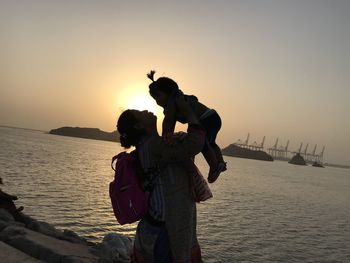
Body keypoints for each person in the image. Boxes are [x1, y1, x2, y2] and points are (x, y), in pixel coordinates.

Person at [117, 96, 209, 262]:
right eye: (141, 113)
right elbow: (194, 143)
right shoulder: (154, 147)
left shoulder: (148, 147)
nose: (146, 110)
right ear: (139, 125)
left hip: (154, 229)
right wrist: (188, 112)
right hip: (164, 233)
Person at [147, 70, 227, 183]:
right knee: (211, 142)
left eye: (158, 97)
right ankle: (220, 163)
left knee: (203, 143)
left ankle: (214, 167)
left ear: (168, 92)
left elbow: (168, 122)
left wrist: (165, 138)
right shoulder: (180, 97)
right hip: (213, 116)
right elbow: (194, 100)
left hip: (206, 119)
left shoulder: (172, 102)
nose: (157, 101)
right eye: (154, 99)